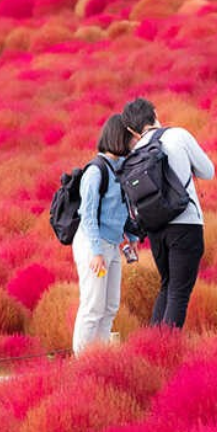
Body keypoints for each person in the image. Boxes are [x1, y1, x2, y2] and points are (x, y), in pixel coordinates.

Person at [121, 96, 215, 329]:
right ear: (155, 114)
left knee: (167, 286)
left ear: (132, 129)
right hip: (185, 224)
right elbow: (208, 171)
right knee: (179, 293)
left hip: (155, 229)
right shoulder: (177, 135)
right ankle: (167, 350)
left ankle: (155, 347)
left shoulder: (135, 153)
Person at [72, 114, 138, 355]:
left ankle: (99, 356)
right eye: (131, 138)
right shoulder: (96, 172)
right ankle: (82, 361)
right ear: (120, 138)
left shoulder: (120, 170)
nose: (133, 144)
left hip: (111, 245)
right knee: (92, 307)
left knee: (110, 306)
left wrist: (131, 239)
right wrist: (96, 253)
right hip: (94, 245)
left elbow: (122, 209)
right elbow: (88, 216)